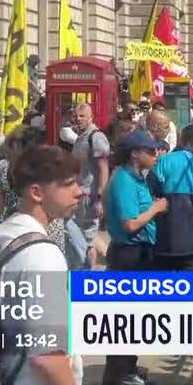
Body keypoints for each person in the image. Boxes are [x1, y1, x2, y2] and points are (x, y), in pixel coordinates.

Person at [0, 145, 80, 385]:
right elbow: (47, 357)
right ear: (37, 192)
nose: (80, 192)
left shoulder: (1, 234)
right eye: (68, 184)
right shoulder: (42, 255)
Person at [104, 130, 169, 385]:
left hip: (141, 254)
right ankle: (119, 375)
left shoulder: (139, 179)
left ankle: (128, 368)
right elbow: (130, 224)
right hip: (128, 256)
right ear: (134, 154)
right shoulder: (123, 180)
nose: (156, 154)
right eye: (150, 151)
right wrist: (156, 208)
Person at [153, 125, 193, 271]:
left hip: (165, 238)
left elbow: (153, 194)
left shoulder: (164, 162)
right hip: (192, 242)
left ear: (181, 139)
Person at [70, 102, 110, 269]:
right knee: (81, 237)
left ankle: (89, 275)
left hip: (90, 197)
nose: (78, 120)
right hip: (79, 195)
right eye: (76, 117)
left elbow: (103, 169)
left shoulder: (96, 137)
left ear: (91, 117)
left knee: (88, 239)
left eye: (82, 116)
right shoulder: (82, 136)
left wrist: (100, 199)